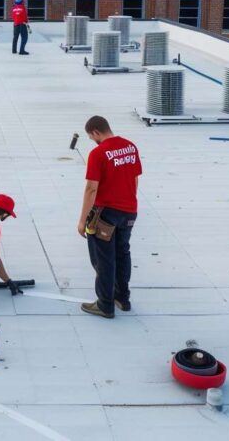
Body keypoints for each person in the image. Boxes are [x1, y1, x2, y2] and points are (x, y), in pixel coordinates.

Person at [76, 116, 142, 319]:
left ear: (96, 132)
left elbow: (91, 189)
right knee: (123, 253)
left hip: (106, 215)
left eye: (91, 137)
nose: (93, 141)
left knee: (104, 259)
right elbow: (135, 179)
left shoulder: (98, 153)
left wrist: (82, 220)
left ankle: (105, 304)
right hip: (130, 211)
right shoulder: (130, 147)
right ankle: (122, 298)